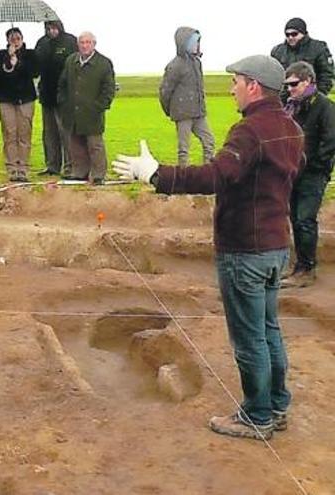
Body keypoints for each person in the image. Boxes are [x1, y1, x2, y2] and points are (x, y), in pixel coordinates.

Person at [114, 55, 304, 441]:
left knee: (250, 337)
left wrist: (154, 173)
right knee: (268, 330)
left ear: (253, 86)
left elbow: (216, 175)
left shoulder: (250, 131)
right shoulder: (291, 127)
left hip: (245, 249)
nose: (231, 87)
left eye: (235, 81)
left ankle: (257, 416)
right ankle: (277, 404)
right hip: (275, 246)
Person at [280, 62, 335, 288]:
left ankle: (307, 269)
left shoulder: (324, 107)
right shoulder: (291, 106)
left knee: (305, 218)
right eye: (287, 85)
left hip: (313, 173)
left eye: (294, 84)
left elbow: (331, 139)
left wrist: (316, 164)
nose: (290, 89)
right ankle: (300, 267)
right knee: (295, 218)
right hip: (293, 171)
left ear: (308, 81)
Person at [57, 32, 115, 185]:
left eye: (88, 42)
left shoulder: (104, 63)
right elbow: (62, 84)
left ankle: (98, 175)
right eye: (82, 42)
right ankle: (79, 172)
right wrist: (63, 103)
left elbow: (108, 89)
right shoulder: (71, 61)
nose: (85, 45)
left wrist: (99, 107)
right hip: (72, 112)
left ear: (94, 44)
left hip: (92, 113)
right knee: (76, 144)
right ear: (78, 44)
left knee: (95, 145)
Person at [159, 27, 215, 167]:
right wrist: (171, 111)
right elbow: (165, 91)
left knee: (209, 141)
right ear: (184, 43)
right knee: (184, 148)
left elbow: (199, 89)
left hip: (198, 113)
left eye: (198, 42)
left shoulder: (197, 62)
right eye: (194, 42)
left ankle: (208, 174)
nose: (197, 45)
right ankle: (183, 178)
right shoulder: (175, 65)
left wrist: (202, 108)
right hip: (182, 113)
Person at [0, 27, 39, 182]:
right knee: (9, 133)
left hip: (25, 100)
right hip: (7, 100)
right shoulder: (1, 55)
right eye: (12, 38)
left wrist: (18, 63)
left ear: (22, 38)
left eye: (18, 38)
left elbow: (34, 72)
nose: (15, 41)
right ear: (7, 40)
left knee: (24, 134)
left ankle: (24, 168)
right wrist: (9, 61)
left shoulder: (30, 55)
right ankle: (12, 168)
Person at [34, 20, 77, 176]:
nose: (51, 31)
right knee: (49, 134)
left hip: (65, 96)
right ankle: (52, 166)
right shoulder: (42, 43)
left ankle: (70, 166)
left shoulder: (70, 41)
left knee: (66, 133)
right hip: (47, 95)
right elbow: (36, 67)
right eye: (48, 28)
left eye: (53, 27)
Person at [271, 18, 333, 96]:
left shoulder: (318, 48)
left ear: (303, 33)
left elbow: (326, 77)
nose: (290, 37)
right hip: (285, 98)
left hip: (310, 95)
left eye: (294, 34)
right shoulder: (278, 51)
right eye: (287, 34)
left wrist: (313, 96)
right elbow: (273, 77)